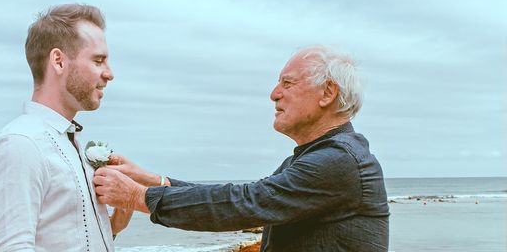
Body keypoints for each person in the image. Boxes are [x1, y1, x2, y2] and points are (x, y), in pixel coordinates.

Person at [94, 45, 389, 251]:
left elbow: (245, 203)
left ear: (327, 93)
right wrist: (154, 181)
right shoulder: (316, 157)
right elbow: (248, 196)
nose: (274, 94)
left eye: (287, 83)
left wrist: (137, 197)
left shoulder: (339, 161)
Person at [0, 4, 132, 252]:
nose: (109, 74)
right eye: (98, 60)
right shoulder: (20, 144)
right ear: (58, 61)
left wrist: (112, 228)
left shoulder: (67, 142)